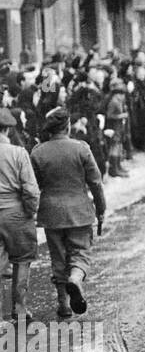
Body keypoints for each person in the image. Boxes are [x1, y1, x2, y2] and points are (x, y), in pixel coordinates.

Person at [31, 107, 106, 318]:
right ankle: (75, 277)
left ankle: (63, 304)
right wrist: (101, 209)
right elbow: (96, 182)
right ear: (68, 126)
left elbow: (33, 185)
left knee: (58, 257)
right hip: (79, 211)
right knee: (80, 252)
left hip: (51, 213)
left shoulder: (38, 152)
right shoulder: (81, 148)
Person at [0, 108, 40, 323]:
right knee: (22, 260)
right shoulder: (18, 153)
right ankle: (20, 309)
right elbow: (31, 189)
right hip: (16, 212)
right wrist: (30, 211)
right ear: (7, 129)